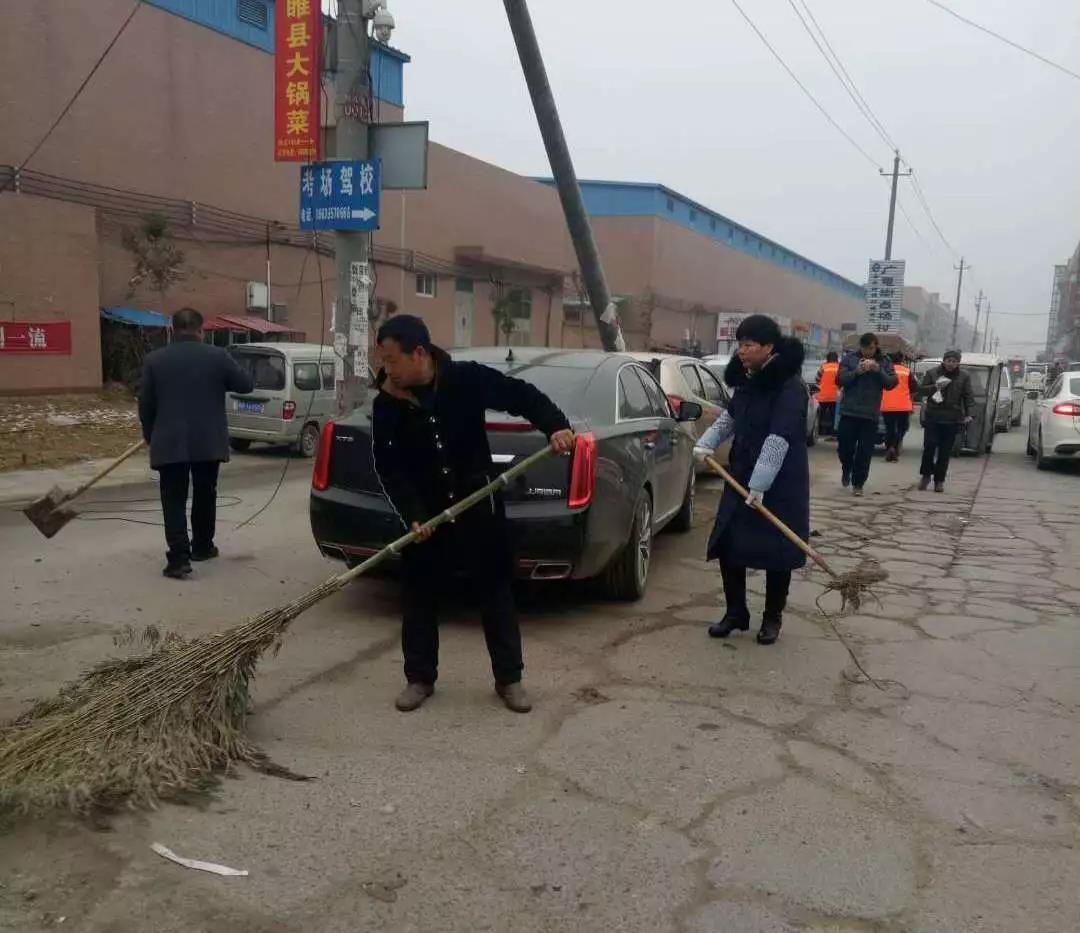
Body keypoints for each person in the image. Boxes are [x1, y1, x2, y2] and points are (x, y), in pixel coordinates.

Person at [371, 315, 574, 714]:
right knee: (418, 596)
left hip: (478, 504)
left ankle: (509, 679)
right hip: (426, 516)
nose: (387, 370)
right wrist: (412, 514)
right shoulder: (387, 404)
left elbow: (521, 395)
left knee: (495, 591)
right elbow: (388, 467)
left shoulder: (465, 379)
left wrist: (555, 426)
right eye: (384, 361)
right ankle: (419, 678)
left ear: (418, 353)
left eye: (392, 360)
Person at [695, 315, 809, 646]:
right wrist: (706, 443)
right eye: (739, 345)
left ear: (769, 347)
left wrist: (760, 484)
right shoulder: (748, 379)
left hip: (781, 481)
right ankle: (736, 612)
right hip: (741, 473)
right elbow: (730, 418)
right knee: (729, 543)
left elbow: (779, 437)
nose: (742, 351)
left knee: (777, 551)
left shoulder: (789, 386)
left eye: (749, 345)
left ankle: (772, 617)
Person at [138, 307, 254, 579]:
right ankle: (202, 546)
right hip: (207, 441)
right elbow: (245, 385)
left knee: (173, 499)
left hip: (169, 440)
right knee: (205, 493)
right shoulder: (218, 356)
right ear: (201, 330)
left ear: (173, 329)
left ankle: (179, 558)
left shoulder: (155, 360)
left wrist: (150, 434)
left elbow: (145, 404)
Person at [836, 333, 897, 496]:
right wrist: (857, 371)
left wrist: (878, 370)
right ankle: (847, 467)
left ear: (876, 347)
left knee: (865, 451)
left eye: (871, 348)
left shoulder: (884, 361)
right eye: (865, 348)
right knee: (844, 448)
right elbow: (840, 380)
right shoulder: (850, 359)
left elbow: (892, 383)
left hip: (870, 414)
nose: (868, 352)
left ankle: (858, 483)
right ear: (860, 347)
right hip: (849, 412)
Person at [918, 349, 974, 492]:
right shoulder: (932, 373)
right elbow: (921, 390)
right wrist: (935, 387)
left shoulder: (964, 376)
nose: (951, 364)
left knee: (945, 451)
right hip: (933, 416)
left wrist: (969, 414)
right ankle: (926, 475)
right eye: (949, 361)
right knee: (929, 446)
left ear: (958, 363)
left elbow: (968, 396)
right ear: (944, 361)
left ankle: (939, 480)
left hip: (952, 418)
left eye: (954, 361)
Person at [880, 352, 919, 462]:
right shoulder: (906, 371)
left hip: (887, 405)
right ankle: (894, 446)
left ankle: (889, 448)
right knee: (902, 427)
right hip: (903, 406)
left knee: (889, 428)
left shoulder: (885, 371)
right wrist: (910, 399)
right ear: (901, 360)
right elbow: (915, 388)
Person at [815, 351, 840, 438]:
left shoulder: (823, 367)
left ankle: (820, 431)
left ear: (827, 358)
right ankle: (833, 433)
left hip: (823, 395)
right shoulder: (839, 367)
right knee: (834, 416)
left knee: (820, 415)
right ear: (836, 358)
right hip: (835, 396)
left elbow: (817, 379)